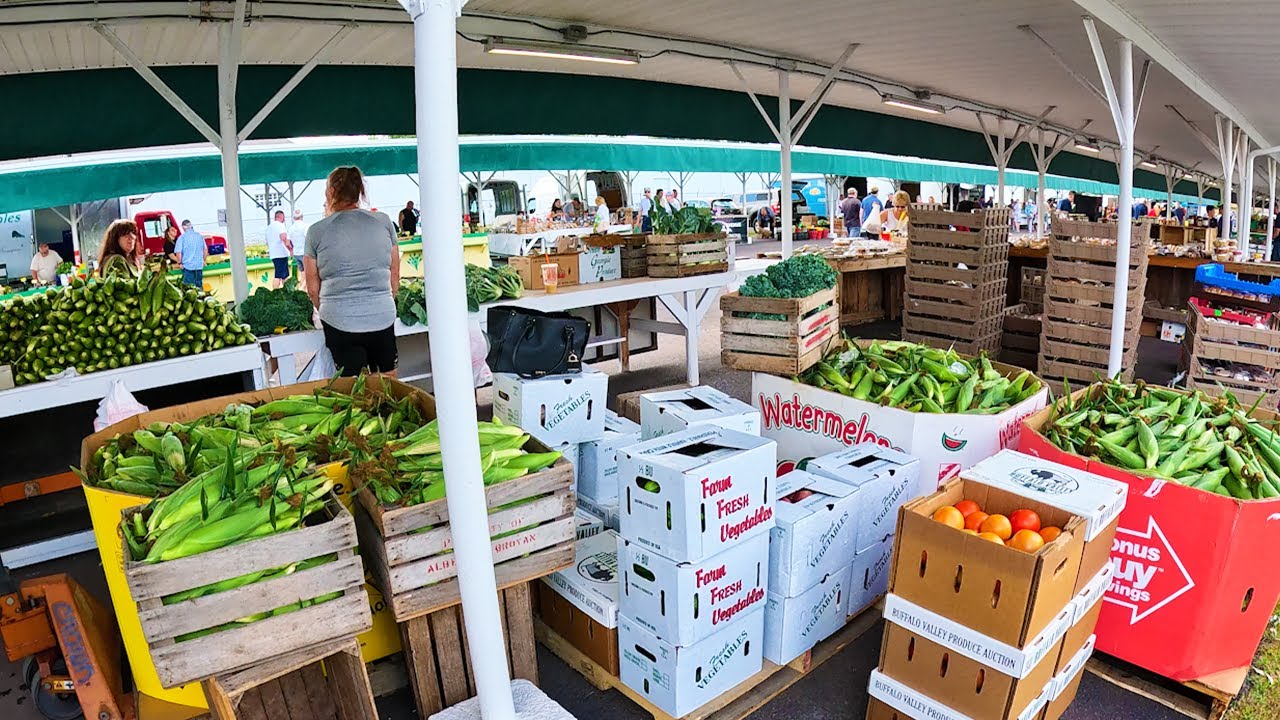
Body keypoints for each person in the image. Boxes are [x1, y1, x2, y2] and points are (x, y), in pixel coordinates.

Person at [305, 166, 400, 377]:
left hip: (338, 320)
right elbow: (394, 276)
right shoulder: (384, 222)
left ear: (330, 192)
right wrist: (383, 301)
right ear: (360, 191)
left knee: (353, 390)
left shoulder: (316, 231)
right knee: (389, 380)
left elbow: (312, 288)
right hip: (382, 315)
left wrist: (331, 310)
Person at [174, 218, 208, 287]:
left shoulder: (182, 238)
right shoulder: (199, 236)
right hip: (198, 266)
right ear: (191, 226)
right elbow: (205, 250)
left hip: (187, 267)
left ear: (183, 227)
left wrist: (180, 263)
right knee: (199, 286)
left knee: (189, 289)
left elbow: (178, 252)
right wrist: (203, 260)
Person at [267, 209, 292, 289]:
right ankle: (276, 292)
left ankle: (286, 290)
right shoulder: (280, 226)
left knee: (284, 275)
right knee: (278, 275)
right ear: (281, 217)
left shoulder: (269, 227)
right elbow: (284, 238)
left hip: (273, 254)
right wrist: (290, 249)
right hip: (281, 253)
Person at [289, 209, 310, 286]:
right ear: (302, 216)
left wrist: (291, 250)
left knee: (302, 272)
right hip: (305, 253)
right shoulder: (305, 226)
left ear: (294, 218)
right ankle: (304, 289)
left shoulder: (291, 228)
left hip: (296, 253)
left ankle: (302, 287)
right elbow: (309, 238)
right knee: (309, 273)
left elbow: (288, 242)